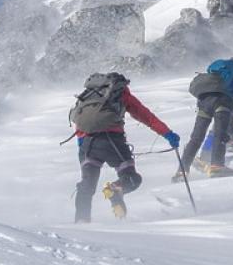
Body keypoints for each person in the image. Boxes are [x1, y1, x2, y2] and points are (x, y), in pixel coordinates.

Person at [69, 72, 179, 222]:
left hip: (87, 144)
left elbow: (79, 122)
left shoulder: (88, 95)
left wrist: (83, 147)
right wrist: (168, 134)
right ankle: (116, 189)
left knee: (87, 186)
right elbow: (146, 117)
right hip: (112, 141)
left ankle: (81, 223)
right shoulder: (121, 93)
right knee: (131, 178)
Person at [174, 57, 233, 181]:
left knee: (196, 138)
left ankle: (181, 171)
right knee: (220, 135)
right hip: (223, 103)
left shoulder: (216, 72)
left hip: (204, 102)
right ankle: (217, 166)